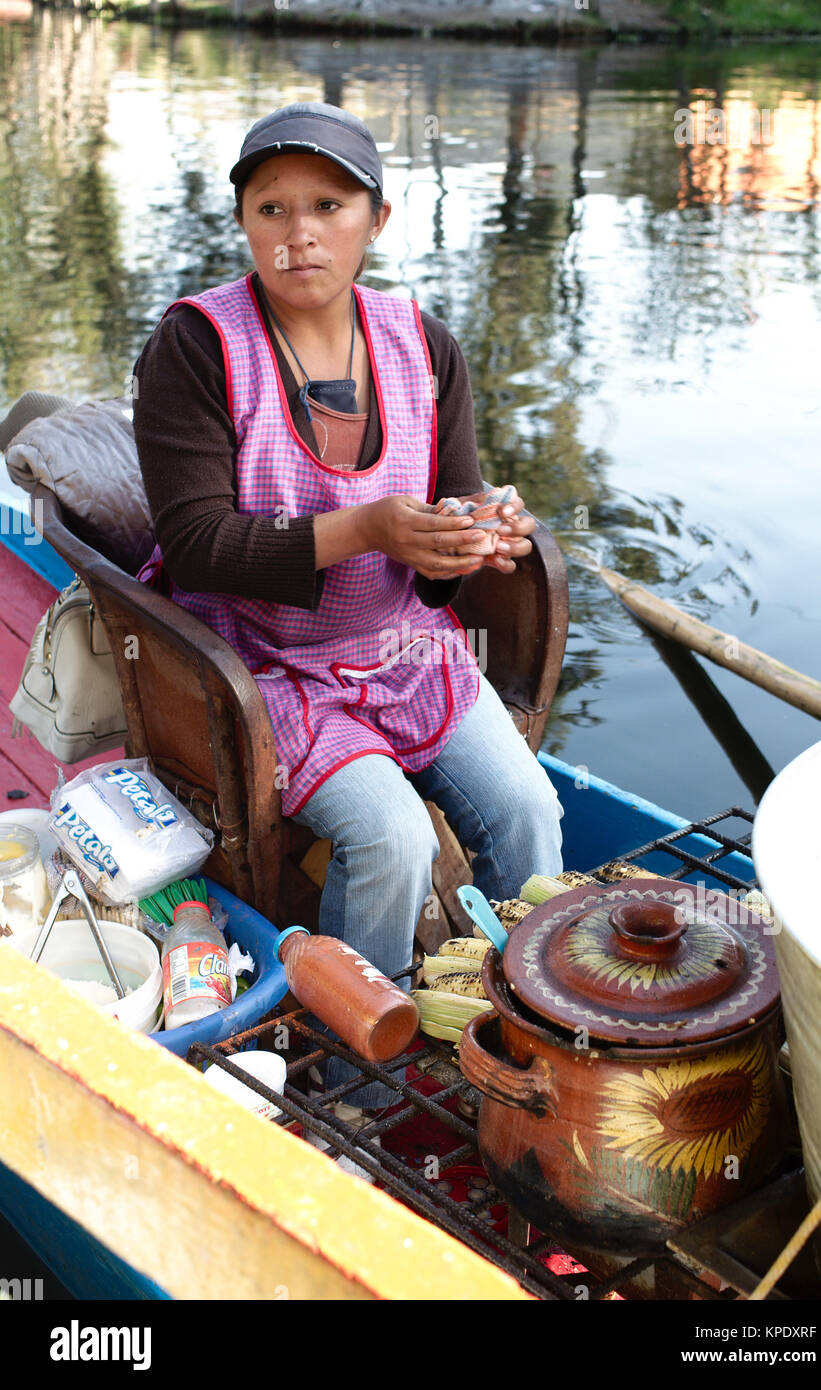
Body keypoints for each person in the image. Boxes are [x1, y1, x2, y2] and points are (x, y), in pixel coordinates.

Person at [133, 102, 563, 1114]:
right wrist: (369, 529)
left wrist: (476, 535)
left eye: (328, 204)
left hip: (402, 643)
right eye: (270, 207)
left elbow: (446, 527)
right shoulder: (197, 347)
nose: (299, 231)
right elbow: (194, 542)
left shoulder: (422, 343)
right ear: (241, 223)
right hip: (260, 657)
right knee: (389, 838)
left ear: (375, 216)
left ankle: (528, 1019)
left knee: (527, 807)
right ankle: (356, 1078)